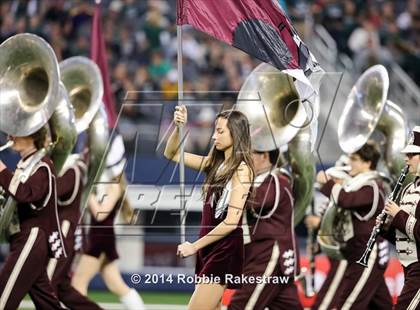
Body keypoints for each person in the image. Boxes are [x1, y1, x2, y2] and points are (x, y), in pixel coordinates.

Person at [165, 106, 254, 310]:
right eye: (215, 130)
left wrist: (194, 246)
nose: (214, 136)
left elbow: (232, 221)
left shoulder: (242, 170)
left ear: (236, 134)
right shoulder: (213, 164)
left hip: (225, 249)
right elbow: (172, 154)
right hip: (209, 246)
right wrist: (179, 127)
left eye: (220, 131)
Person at [313, 140, 392, 310]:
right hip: (356, 252)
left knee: (347, 305)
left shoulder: (373, 186)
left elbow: (345, 200)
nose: (349, 163)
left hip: (366, 253)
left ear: (367, 162)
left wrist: (327, 183)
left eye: (354, 159)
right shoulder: (358, 184)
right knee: (381, 306)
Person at [71, 135, 145, 310]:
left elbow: (99, 213)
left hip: (100, 239)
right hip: (101, 238)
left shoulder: (115, 186)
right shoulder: (106, 183)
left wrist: (86, 189)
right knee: (116, 285)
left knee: (77, 284)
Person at [228, 148, 302, 310]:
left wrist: (236, 179)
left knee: (239, 306)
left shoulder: (277, 180)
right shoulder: (261, 180)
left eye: (251, 153)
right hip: (264, 256)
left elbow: (256, 200)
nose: (246, 158)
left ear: (265, 156)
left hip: (268, 254)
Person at [0, 127, 65, 309]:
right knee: (48, 304)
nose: (10, 136)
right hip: (25, 239)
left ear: (33, 136)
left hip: (32, 238)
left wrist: (1, 170)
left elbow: (24, 193)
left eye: (17, 130)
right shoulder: (27, 164)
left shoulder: (42, 165)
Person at [48, 154, 103, 309]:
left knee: (49, 283)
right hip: (69, 232)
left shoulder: (73, 168)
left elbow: (52, 192)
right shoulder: (75, 167)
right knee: (62, 287)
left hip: (66, 232)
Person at [382, 126, 420, 309]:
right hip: (410, 268)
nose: (406, 159)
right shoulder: (408, 189)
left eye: (412, 154)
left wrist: (399, 215)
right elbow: (404, 236)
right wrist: (384, 229)